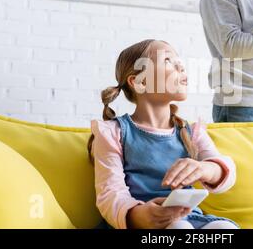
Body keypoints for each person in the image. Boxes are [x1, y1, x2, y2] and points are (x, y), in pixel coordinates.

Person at [88, 39, 238, 229]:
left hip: (189, 219)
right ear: (139, 81)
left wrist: (205, 169)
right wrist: (139, 216)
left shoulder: (191, 132)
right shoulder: (112, 132)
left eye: (179, 60)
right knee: (180, 228)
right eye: (167, 60)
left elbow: (228, 173)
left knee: (224, 228)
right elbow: (110, 193)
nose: (180, 65)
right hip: (139, 223)